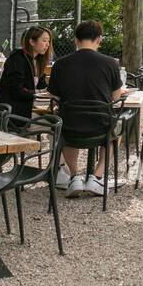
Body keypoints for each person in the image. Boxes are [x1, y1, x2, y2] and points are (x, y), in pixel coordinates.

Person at [47, 20, 127, 198]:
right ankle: (97, 176)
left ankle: (74, 176)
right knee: (117, 131)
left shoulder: (60, 64)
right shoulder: (110, 63)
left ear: (76, 40)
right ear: (99, 39)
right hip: (100, 127)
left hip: (70, 126)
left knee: (66, 126)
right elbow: (114, 98)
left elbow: (54, 96)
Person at [0, 26, 51, 121]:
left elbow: (41, 85)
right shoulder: (17, 59)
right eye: (44, 41)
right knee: (52, 125)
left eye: (49, 41)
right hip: (10, 114)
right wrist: (41, 93)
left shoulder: (37, 61)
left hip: (25, 111)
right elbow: (17, 91)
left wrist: (51, 90)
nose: (47, 44)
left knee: (54, 122)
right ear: (32, 42)